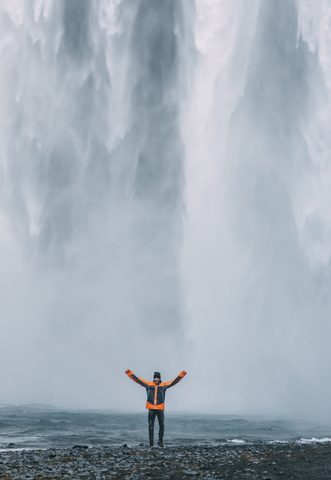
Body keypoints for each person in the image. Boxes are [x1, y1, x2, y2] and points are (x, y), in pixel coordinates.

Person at [125, 369, 187, 447]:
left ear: (159, 379)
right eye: (155, 378)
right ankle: (151, 442)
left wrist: (182, 374)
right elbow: (138, 380)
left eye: (158, 378)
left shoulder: (164, 385)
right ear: (153, 378)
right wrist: (129, 373)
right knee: (151, 425)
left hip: (160, 408)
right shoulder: (148, 384)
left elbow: (174, 381)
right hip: (151, 408)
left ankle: (160, 441)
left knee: (161, 424)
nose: (156, 379)